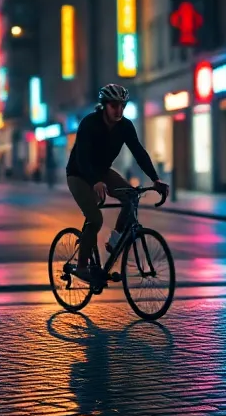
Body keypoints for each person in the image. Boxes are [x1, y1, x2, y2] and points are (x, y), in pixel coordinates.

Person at [65, 84, 169, 293]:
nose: (118, 110)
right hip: (79, 174)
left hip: (102, 172)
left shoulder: (125, 126)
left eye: (122, 106)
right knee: (95, 219)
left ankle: (114, 242)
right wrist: (94, 181)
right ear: (104, 106)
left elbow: (139, 152)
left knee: (131, 197)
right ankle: (83, 266)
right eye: (114, 106)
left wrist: (155, 179)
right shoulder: (89, 123)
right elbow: (82, 158)